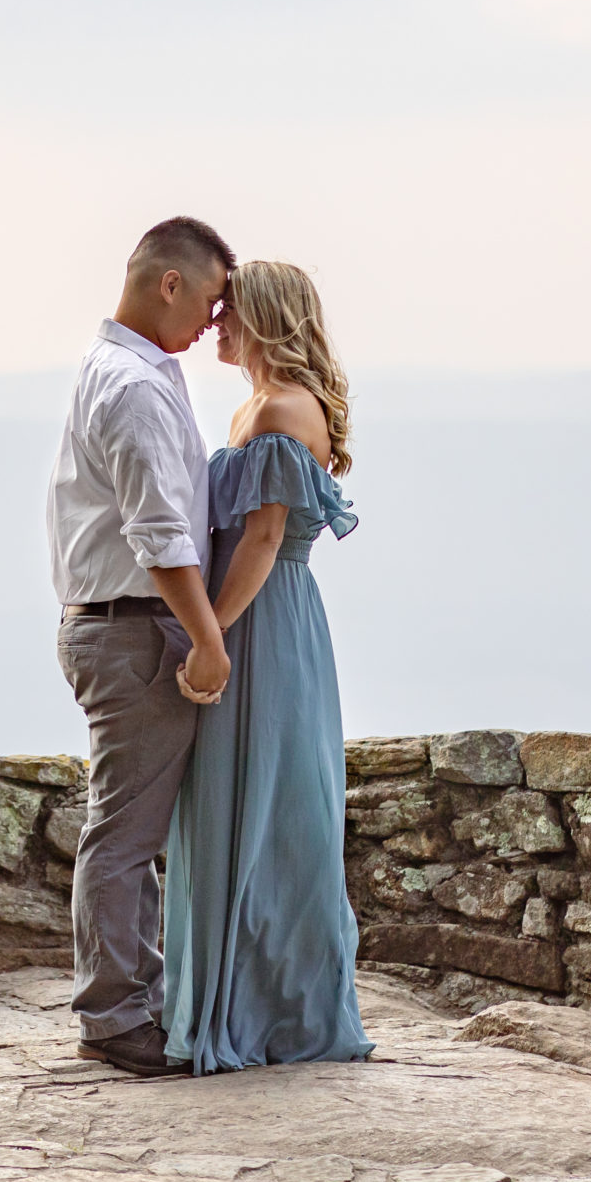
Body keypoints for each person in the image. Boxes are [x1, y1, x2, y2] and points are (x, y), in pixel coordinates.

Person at [161, 259, 371, 1074]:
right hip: (256, 618)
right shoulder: (260, 404)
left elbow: (259, 540)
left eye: (228, 312)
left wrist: (212, 633)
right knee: (242, 808)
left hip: (263, 622)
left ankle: (275, 1015)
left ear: (264, 317)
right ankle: (247, 1004)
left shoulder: (283, 408)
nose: (215, 323)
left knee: (268, 811)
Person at [47, 215, 237, 1078]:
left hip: (112, 622)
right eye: (207, 298)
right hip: (132, 628)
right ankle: (117, 1017)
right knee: (124, 831)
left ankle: (132, 1001)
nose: (211, 319)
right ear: (169, 283)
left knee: (129, 826)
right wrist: (206, 639)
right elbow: (160, 533)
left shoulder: (125, 370)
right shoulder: (131, 385)